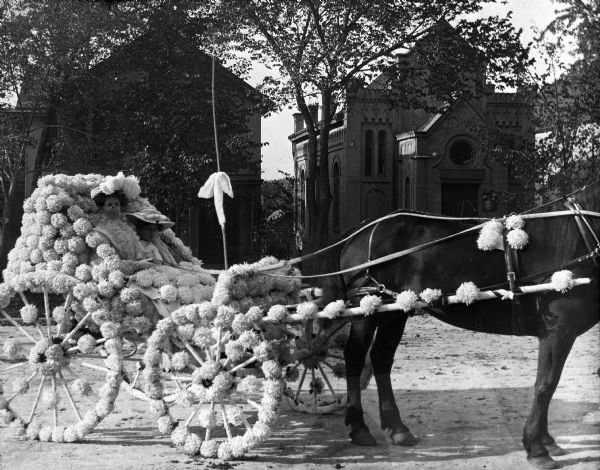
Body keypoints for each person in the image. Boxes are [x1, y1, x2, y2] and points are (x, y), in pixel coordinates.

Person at [90, 190, 153, 274]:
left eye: (117, 204)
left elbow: (136, 251)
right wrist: (137, 265)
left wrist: (143, 259)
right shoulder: (99, 232)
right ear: (102, 208)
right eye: (109, 204)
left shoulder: (125, 228)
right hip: (116, 275)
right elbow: (105, 263)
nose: (113, 207)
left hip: (137, 272)